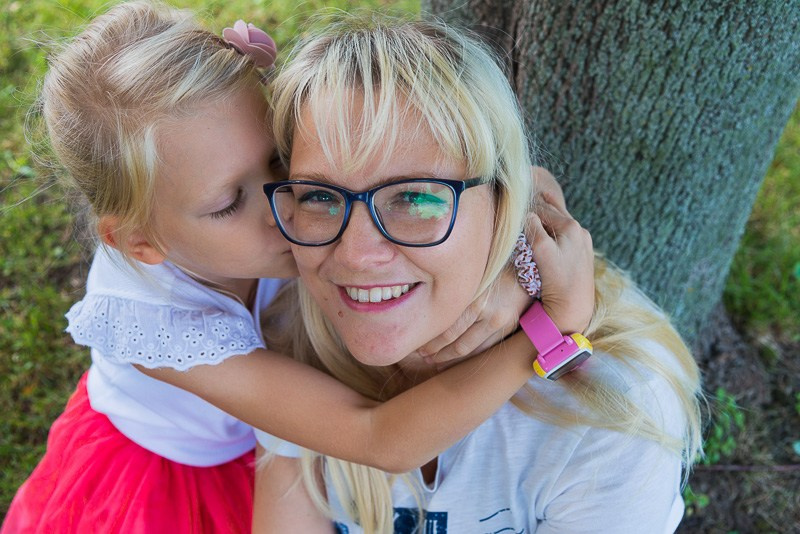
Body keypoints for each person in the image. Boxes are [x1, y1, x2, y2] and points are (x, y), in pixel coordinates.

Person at [2, 2, 597, 532]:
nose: (284, 203)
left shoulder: (214, 180)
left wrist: (517, 271)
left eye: (280, 160)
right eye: (229, 203)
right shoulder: (151, 327)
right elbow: (378, 438)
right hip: (175, 479)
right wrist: (548, 332)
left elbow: (524, 179)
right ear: (141, 242)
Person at [254, 14, 704, 533]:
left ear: (504, 205)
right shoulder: (296, 339)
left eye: (415, 197)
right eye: (320, 196)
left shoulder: (612, 415)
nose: (355, 254)